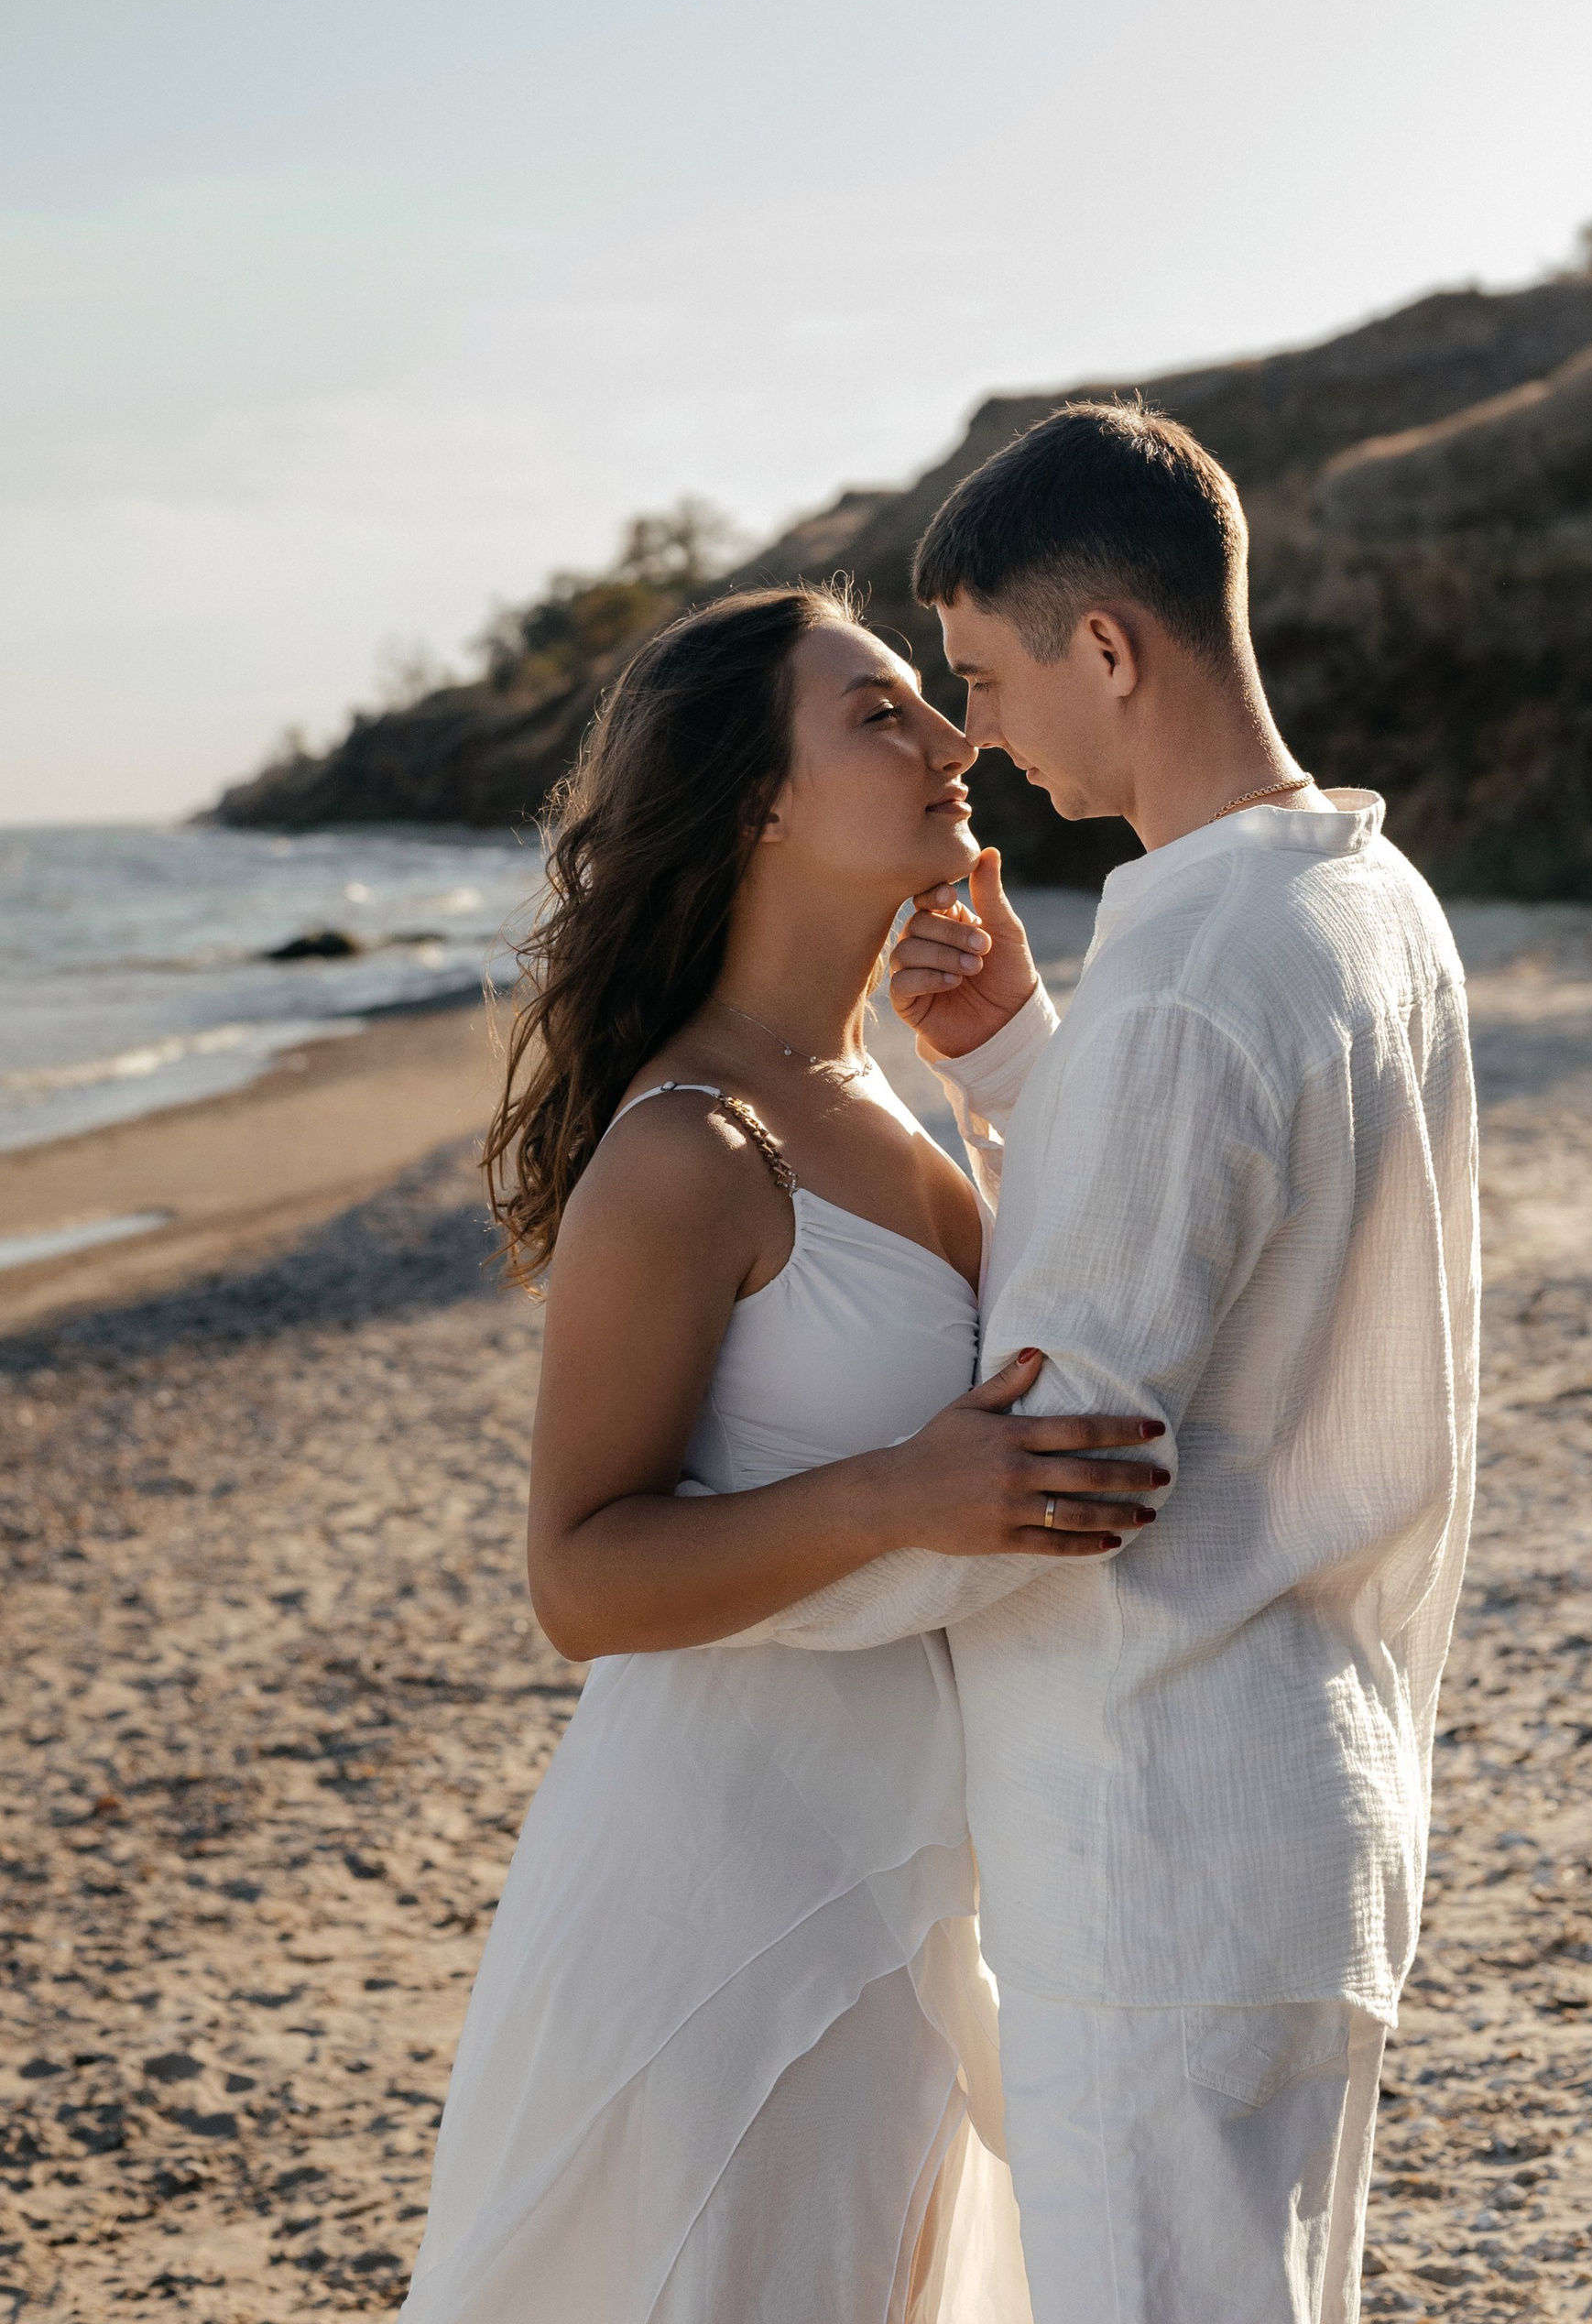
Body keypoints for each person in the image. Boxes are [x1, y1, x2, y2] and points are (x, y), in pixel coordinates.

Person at [745, 402, 1481, 2324]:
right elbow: (1228, 1251)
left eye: (982, 677)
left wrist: (723, 1585)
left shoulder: (1186, 988)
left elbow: (1050, 1465)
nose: (970, 734)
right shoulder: (1360, 906)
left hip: (1154, 1827)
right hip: (1303, 1798)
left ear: (1109, 650)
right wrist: (1010, 1060)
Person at [398, 581, 1168, 2324]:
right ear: (758, 801)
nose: (950, 739)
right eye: (880, 713)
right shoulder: (687, 1145)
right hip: (715, 1898)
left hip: (906, 1872)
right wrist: (900, 1493)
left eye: (928, 703)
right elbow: (578, 1578)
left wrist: (1003, 1061)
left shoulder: (887, 1093)